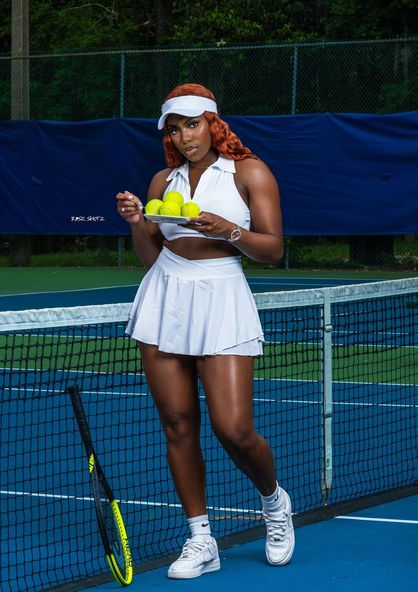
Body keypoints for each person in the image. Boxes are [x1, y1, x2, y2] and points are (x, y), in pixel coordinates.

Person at [116, 83, 294, 579]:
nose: (185, 136)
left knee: (233, 430)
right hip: (165, 298)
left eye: (192, 124)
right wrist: (136, 221)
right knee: (177, 424)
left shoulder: (250, 172)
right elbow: (151, 256)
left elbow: (273, 250)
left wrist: (227, 230)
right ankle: (200, 539)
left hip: (222, 297)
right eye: (175, 128)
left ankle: (274, 502)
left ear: (213, 124)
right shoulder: (161, 181)